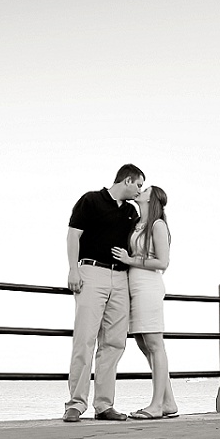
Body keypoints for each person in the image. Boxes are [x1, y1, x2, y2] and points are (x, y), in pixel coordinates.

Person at [63, 164, 145, 423]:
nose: (139, 190)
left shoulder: (132, 212)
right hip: (91, 272)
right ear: (128, 180)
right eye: (139, 185)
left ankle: (104, 406)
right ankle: (75, 404)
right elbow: (73, 236)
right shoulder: (91, 200)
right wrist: (72, 271)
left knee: (114, 344)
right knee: (85, 340)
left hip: (121, 278)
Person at [111, 185, 178, 420]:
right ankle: (169, 402)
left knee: (154, 343)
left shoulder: (158, 225)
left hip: (148, 287)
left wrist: (131, 259)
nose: (141, 190)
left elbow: (162, 262)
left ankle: (157, 405)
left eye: (145, 189)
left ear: (153, 198)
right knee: (143, 342)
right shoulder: (138, 223)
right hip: (134, 287)